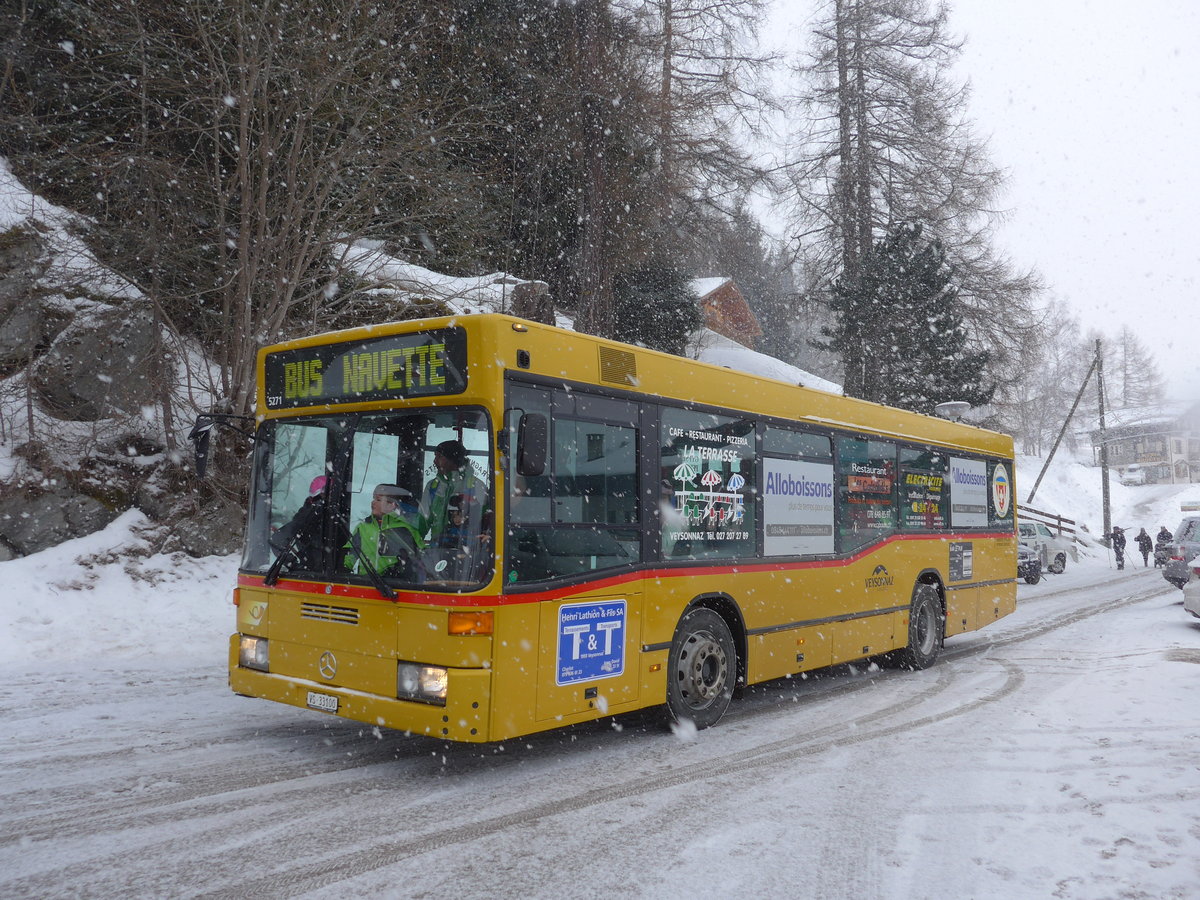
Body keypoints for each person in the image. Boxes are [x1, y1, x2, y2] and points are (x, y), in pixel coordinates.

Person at [344, 483, 424, 577]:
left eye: (378, 499)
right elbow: (352, 554)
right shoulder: (362, 528)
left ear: (392, 505)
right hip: (367, 584)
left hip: (395, 584)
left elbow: (421, 558)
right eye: (373, 498)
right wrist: (343, 569)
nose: (373, 502)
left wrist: (400, 570)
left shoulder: (405, 529)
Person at [420, 440, 487, 545]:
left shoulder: (478, 487)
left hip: (471, 555)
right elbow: (421, 522)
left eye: (439, 457)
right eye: (435, 456)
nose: (435, 461)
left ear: (453, 460)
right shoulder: (432, 487)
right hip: (436, 553)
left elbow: (486, 522)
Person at [269, 475, 328, 570]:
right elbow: (277, 539)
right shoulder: (314, 512)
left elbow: (276, 540)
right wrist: (296, 567)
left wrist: (294, 565)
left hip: (316, 573)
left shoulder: (315, 511)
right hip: (317, 573)